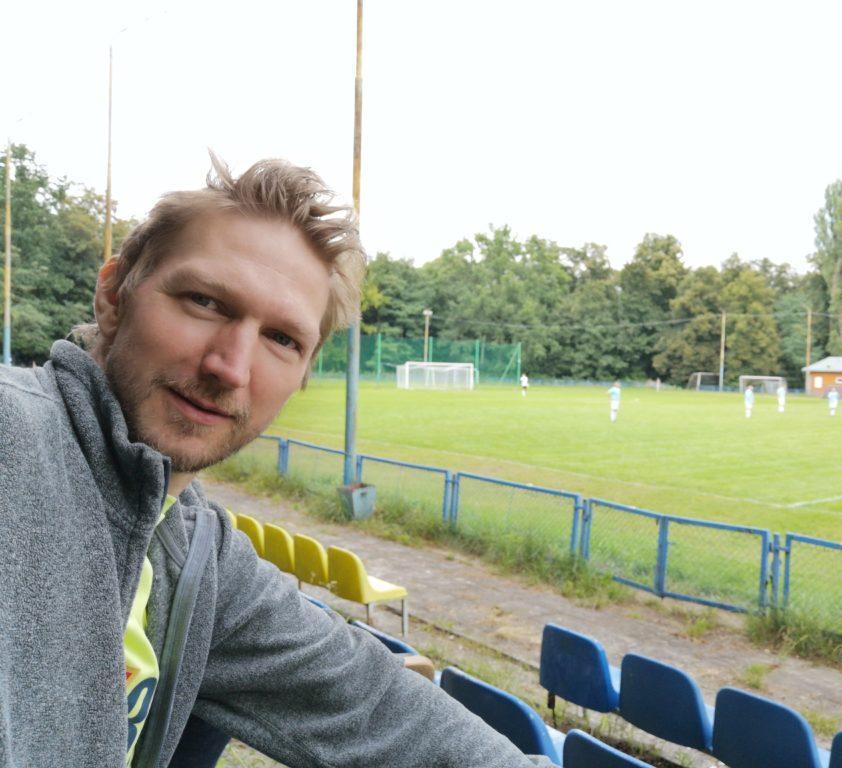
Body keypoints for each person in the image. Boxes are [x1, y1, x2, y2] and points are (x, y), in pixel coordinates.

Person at [0, 157, 553, 768]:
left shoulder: (196, 557)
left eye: (282, 339)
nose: (230, 367)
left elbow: (377, 705)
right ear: (113, 296)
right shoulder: (16, 439)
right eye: (205, 302)